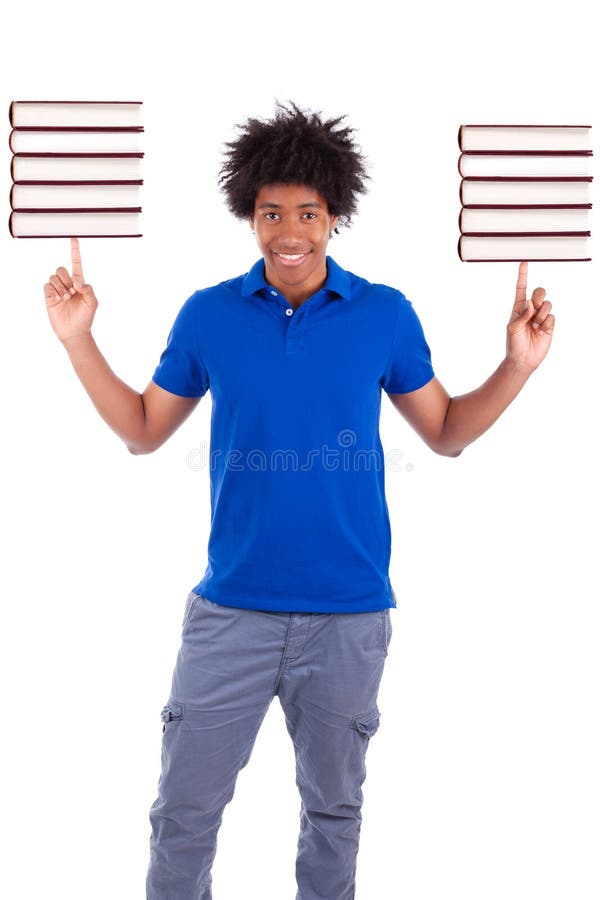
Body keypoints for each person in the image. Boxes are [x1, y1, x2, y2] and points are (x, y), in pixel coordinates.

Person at [43, 102, 555, 900]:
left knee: (334, 815)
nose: (289, 230)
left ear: (335, 216)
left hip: (348, 618)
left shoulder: (383, 314)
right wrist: (77, 338)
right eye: (270, 212)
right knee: (183, 815)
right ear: (249, 216)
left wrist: (518, 365)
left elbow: (448, 432)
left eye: (308, 213)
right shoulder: (208, 315)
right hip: (231, 614)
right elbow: (143, 430)